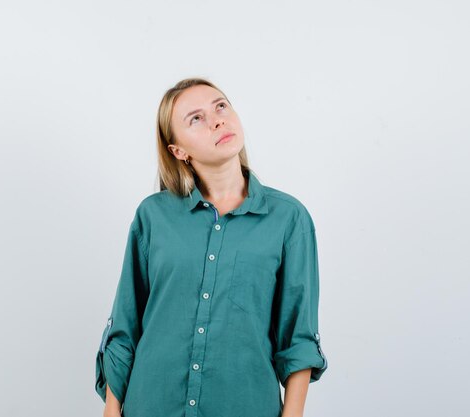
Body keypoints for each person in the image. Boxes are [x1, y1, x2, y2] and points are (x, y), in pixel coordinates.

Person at [95, 77, 328, 417]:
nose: (217, 119)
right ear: (179, 151)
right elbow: (125, 327)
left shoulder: (288, 219)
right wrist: (112, 411)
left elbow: (298, 339)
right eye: (196, 118)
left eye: (220, 106)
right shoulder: (153, 216)